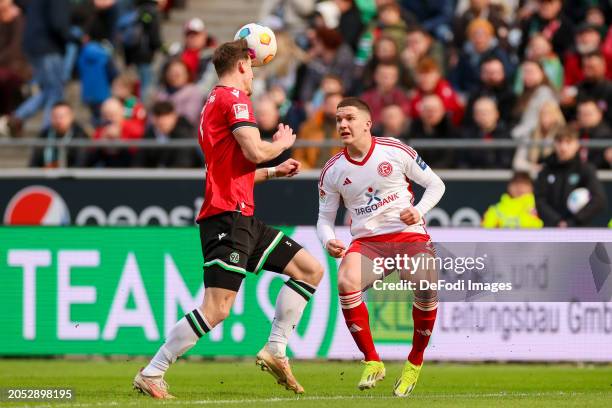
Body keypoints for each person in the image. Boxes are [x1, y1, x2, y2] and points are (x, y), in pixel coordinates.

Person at [133, 39, 324, 399]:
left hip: (241, 214)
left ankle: (276, 349)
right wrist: (280, 144)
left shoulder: (211, 104)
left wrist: (273, 172)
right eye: (252, 68)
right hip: (226, 218)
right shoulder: (234, 100)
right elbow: (254, 150)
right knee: (217, 308)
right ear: (240, 66)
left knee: (310, 269)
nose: (253, 76)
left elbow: (233, 170)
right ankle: (153, 371)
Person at [316, 97, 445, 396]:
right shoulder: (333, 169)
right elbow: (324, 219)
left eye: (349, 118)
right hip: (368, 243)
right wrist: (328, 239)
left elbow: (437, 184)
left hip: (407, 234)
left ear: (367, 124)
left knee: (425, 284)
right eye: (338, 120)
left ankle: (414, 362)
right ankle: (373, 361)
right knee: (346, 280)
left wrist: (420, 211)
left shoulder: (394, 150)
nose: (343, 125)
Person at [534, 128, 607, 227]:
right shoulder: (545, 171)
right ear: (554, 144)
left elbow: (598, 199)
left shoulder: (585, 169)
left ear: (577, 145)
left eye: (568, 142)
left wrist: (573, 221)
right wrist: (557, 221)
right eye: (559, 142)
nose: (563, 147)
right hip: (551, 230)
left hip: (580, 230)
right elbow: (539, 200)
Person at [134, 100, 200, 168]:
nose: (163, 120)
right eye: (159, 115)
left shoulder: (184, 134)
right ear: (154, 119)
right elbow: (139, 163)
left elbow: (183, 165)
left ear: (174, 116)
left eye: (166, 115)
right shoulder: (149, 135)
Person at [293, 92, 343, 169]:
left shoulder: (348, 129)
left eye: (338, 104)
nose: (334, 107)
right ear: (323, 105)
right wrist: (308, 172)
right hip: (311, 174)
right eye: (330, 104)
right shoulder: (308, 127)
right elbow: (298, 156)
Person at [30, 101, 88, 168]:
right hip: (46, 176)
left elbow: (81, 163)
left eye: (62, 116)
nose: (58, 120)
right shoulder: (44, 134)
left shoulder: (80, 135)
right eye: (55, 117)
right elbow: (33, 163)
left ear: (71, 116)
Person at [513, 101, 565, 173]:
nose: (546, 117)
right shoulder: (531, 134)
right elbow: (518, 162)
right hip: (533, 174)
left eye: (549, 113)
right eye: (543, 113)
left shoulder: (562, 134)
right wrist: (532, 167)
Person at [154, 59, 205, 127]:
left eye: (178, 74)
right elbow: (152, 118)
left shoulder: (193, 92)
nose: (174, 76)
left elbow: (190, 118)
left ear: (187, 74)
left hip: (186, 132)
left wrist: (169, 120)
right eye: (171, 73)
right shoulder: (161, 94)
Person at [576, 98, 612, 169]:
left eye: (588, 114)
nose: (584, 117)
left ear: (599, 114)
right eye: (581, 114)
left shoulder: (607, 136)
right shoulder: (576, 133)